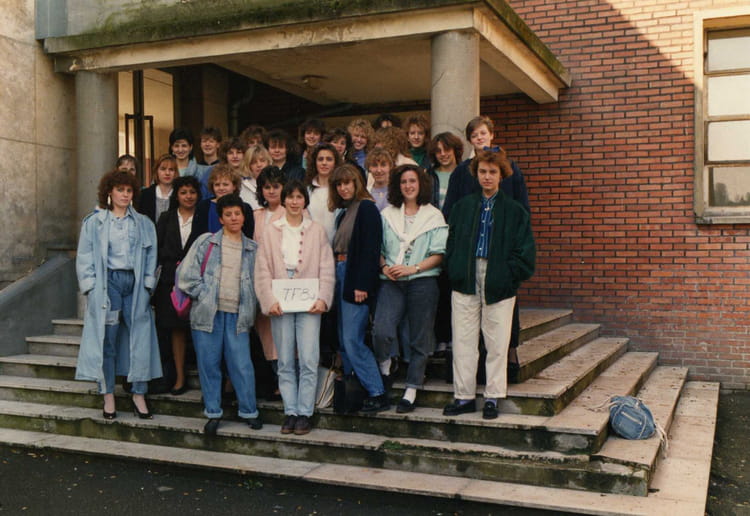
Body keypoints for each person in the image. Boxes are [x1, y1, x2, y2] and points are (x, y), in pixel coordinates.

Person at [442, 150, 535, 420]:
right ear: (476, 173)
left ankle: (493, 397)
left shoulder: (515, 211)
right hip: (466, 276)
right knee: (463, 340)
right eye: (482, 171)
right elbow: (451, 242)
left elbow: (525, 252)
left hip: (499, 279)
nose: (487, 177)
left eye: (493, 172)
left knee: (497, 341)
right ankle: (464, 396)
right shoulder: (462, 207)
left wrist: (509, 274)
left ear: (501, 175)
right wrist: (455, 267)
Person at [75, 169, 162, 420]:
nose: (125, 195)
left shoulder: (144, 223)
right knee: (108, 338)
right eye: (120, 190)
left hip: (135, 283)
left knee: (139, 337)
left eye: (129, 190)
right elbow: (85, 256)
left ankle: (139, 394)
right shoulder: (94, 222)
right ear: (109, 192)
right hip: (108, 284)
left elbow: (151, 256)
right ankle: (108, 394)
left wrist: (148, 286)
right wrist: (92, 287)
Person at [177, 194, 263, 435]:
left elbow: (260, 283)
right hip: (208, 314)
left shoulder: (253, 249)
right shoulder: (206, 242)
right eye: (228, 214)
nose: (234, 218)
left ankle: (249, 411)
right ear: (221, 219)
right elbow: (186, 275)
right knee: (209, 364)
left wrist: (254, 305)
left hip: (239, 315)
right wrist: (203, 294)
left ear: (244, 217)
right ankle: (213, 412)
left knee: (241, 365)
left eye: (237, 213)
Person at [255, 179, 335, 435]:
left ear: (305, 201)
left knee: (309, 358)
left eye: (299, 197)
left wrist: (323, 297)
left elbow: (326, 267)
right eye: (290, 197)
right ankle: (290, 410)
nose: (294, 201)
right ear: (284, 200)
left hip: (309, 300)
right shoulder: (271, 230)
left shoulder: (316, 230)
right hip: (281, 300)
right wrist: (269, 300)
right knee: (285, 359)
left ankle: (305, 413)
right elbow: (262, 268)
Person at [373, 165, 447, 412]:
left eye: (412, 181)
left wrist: (412, 268)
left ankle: (412, 388)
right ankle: (386, 368)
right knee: (382, 330)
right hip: (392, 282)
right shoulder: (387, 215)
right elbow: (378, 249)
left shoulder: (433, 216)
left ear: (421, 184)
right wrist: (385, 267)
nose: (408, 186)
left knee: (420, 336)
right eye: (403, 181)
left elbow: (438, 254)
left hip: (422, 281)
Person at [329, 164, 388, 413]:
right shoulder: (344, 212)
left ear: (357, 183)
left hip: (355, 277)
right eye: (339, 184)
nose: (343, 188)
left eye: (347, 183)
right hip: (340, 272)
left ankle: (377, 391)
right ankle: (357, 390)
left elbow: (370, 250)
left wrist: (362, 284)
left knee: (353, 339)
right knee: (343, 339)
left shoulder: (367, 208)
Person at [153, 175, 201, 395]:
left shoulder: (203, 217)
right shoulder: (166, 217)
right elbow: (157, 248)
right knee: (174, 330)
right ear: (177, 195)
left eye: (192, 192)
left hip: (197, 280)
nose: (188, 196)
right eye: (183, 192)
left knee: (198, 330)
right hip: (169, 282)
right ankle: (179, 378)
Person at [252, 166, 287, 375]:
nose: (271, 191)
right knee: (264, 330)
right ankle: (272, 379)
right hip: (261, 279)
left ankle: (284, 380)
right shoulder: (256, 215)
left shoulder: (294, 211)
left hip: (284, 279)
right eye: (267, 187)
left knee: (283, 333)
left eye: (276, 186)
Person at [192, 164, 255, 239]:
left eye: (225, 184)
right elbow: (196, 236)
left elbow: (248, 236)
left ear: (234, 186)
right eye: (217, 185)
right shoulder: (203, 206)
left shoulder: (245, 208)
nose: (221, 188)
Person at [305, 142, 342, 243]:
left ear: (335, 163)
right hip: (311, 245)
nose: (324, 163)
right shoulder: (307, 191)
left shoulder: (341, 190)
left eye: (329, 159)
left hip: (335, 247)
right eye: (320, 159)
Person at [137, 154, 178, 224]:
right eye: (163, 169)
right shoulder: (145, 194)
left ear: (175, 173)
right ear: (156, 171)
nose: (167, 173)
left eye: (171, 169)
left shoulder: (179, 195)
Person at [427, 132, 463, 210]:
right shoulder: (429, 175)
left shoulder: (464, 173)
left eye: (447, 149)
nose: (443, 154)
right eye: (438, 151)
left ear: (454, 150)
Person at [239, 144, 272, 210]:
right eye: (254, 162)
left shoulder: (277, 184)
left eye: (262, 161)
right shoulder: (240, 186)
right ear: (248, 165)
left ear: (268, 162)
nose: (259, 165)